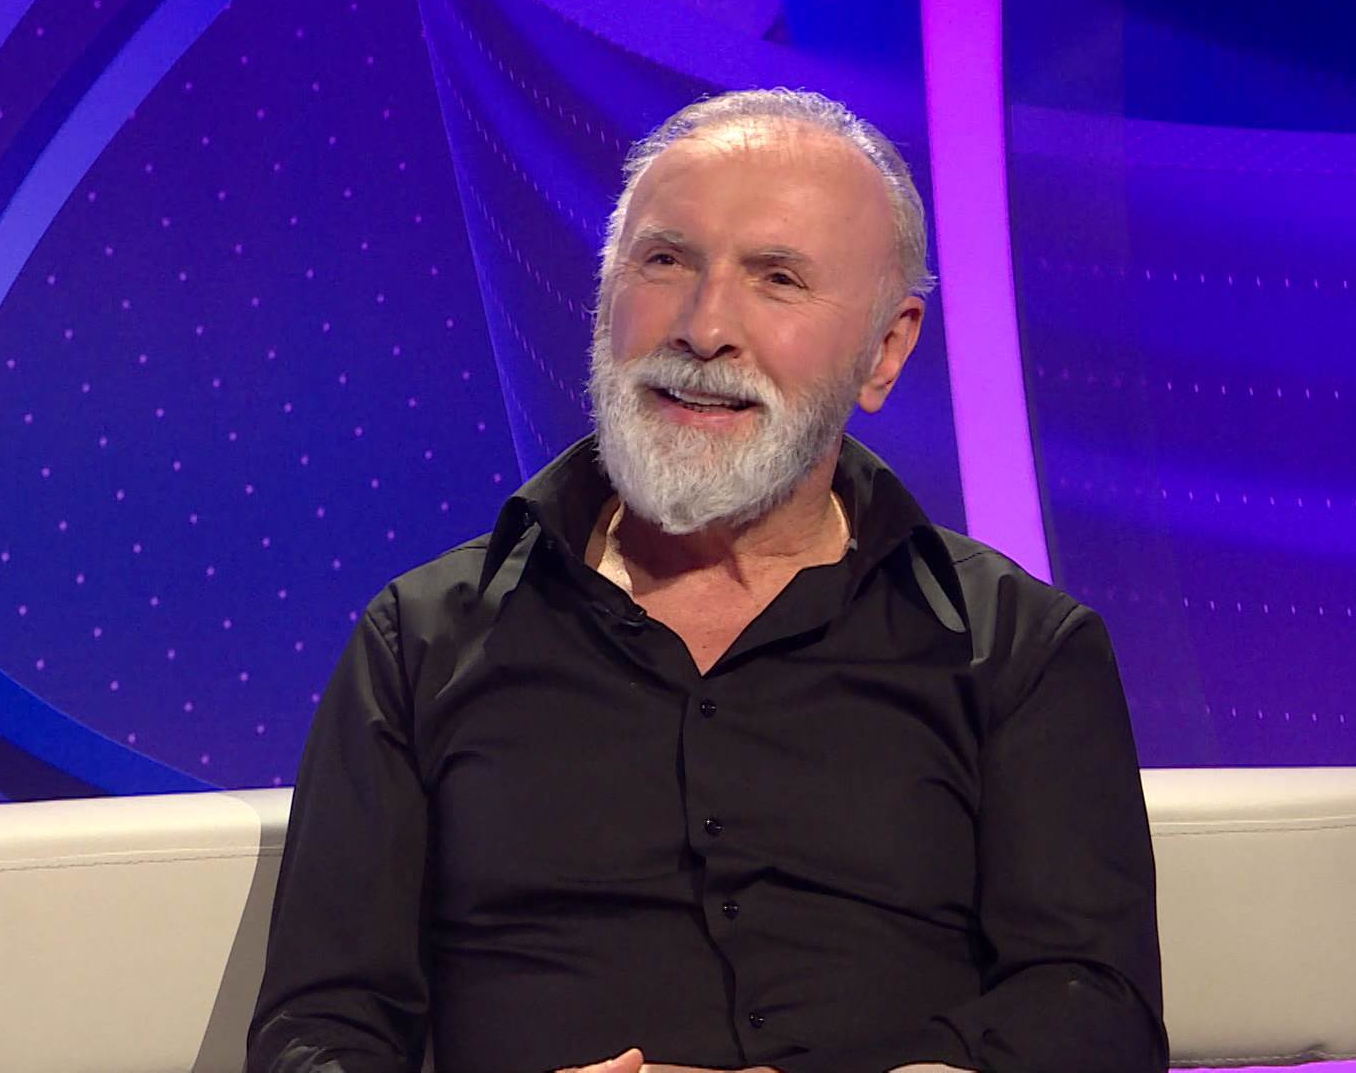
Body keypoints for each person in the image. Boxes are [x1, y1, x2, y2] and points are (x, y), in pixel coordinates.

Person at [246, 88, 1166, 1073]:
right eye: (666, 261)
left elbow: (1094, 1012)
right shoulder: (424, 642)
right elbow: (319, 1034)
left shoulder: (1015, 651)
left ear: (885, 349)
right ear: (605, 300)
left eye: (778, 279)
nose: (704, 325)